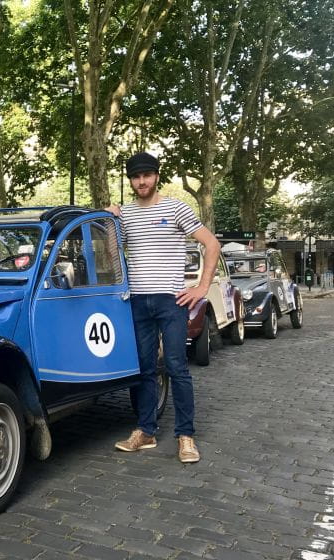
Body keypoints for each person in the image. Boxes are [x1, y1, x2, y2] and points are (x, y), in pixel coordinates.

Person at [106, 151, 220, 464]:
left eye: (146, 175)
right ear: (130, 180)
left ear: (157, 176)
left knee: (176, 367)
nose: (141, 181)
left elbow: (211, 244)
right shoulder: (126, 214)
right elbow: (112, 255)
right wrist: (109, 220)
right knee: (144, 368)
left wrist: (201, 287)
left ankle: (186, 436)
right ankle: (146, 431)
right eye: (135, 176)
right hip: (138, 301)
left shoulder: (176, 207)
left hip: (172, 301)